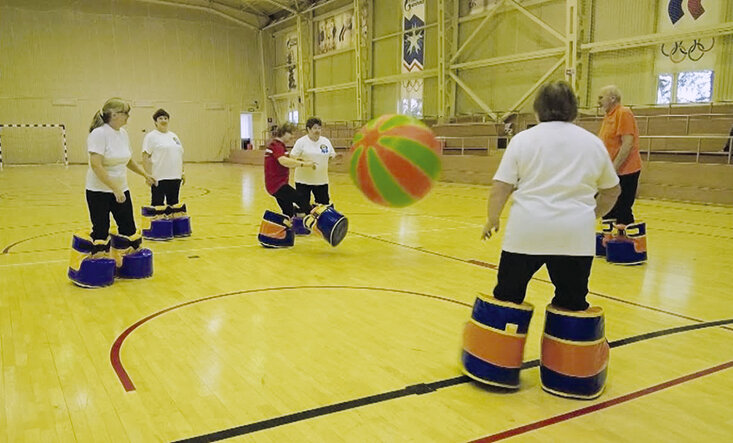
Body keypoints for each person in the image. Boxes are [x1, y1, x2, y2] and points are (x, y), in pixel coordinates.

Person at [461, 82, 620, 399]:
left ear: (538, 109)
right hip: (574, 238)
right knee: (571, 302)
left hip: (526, 234)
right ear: (574, 109)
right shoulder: (592, 144)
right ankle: (569, 377)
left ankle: (495, 366)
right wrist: (592, 214)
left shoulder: (523, 140)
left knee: (508, 296)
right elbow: (613, 191)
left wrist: (492, 219)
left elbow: (500, 187)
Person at [86, 98, 156, 242]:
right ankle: (100, 260)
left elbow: (127, 160)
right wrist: (115, 189)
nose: (128, 117)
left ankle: (124, 261)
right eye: (125, 113)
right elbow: (96, 165)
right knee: (101, 231)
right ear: (114, 114)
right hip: (99, 192)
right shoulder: (99, 134)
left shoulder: (123, 133)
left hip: (121, 189)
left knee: (128, 229)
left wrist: (145, 174)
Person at [597, 85, 642, 225]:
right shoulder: (608, 116)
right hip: (611, 171)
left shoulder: (623, 113)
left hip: (625, 171)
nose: (598, 101)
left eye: (601, 97)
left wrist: (614, 169)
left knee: (622, 209)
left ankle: (627, 244)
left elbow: (627, 144)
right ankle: (609, 242)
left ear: (612, 98)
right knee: (607, 209)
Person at [264, 122, 315, 218]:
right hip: (278, 185)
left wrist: (300, 159)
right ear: (285, 132)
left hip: (276, 185)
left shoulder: (279, 146)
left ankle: (289, 229)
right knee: (301, 200)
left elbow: (288, 157)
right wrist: (303, 164)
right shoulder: (276, 145)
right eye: (291, 134)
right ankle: (316, 219)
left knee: (288, 211)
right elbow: (283, 161)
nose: (292, 137)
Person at [289, 117, 341, 206]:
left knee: (324, 207)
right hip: (303, 181)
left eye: (319, 128)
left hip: (321, 181)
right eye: (315, 128)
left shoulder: (326, 141)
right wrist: (305, 163)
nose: (317, 130)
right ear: (308, 129)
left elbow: (331, 156)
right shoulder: (301, 142)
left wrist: (336, 158)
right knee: (302, 207)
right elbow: (293, 156)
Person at [142, 108, 184, 206]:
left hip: (175, 177)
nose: (163, 120)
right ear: (155, 122)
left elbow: (179, 154)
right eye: (160, 118)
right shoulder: (151, 136)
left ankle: (172, 221)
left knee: (173, 205)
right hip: (159, 178)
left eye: (165, 118)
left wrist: (182, 172)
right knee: (158, 206)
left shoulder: (174, 136)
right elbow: (145, 156)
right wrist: (148, 175)